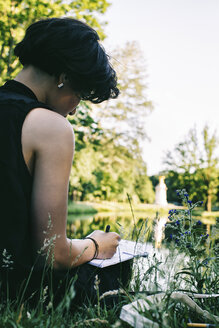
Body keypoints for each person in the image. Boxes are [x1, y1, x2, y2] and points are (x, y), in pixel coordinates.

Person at [0, 17, 128, 307]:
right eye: (81, 94)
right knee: (109, 279)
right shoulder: (50, 126)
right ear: (65, 77)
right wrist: (96, 245)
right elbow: (51, 254)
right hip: (12, 293)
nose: (74, 109)